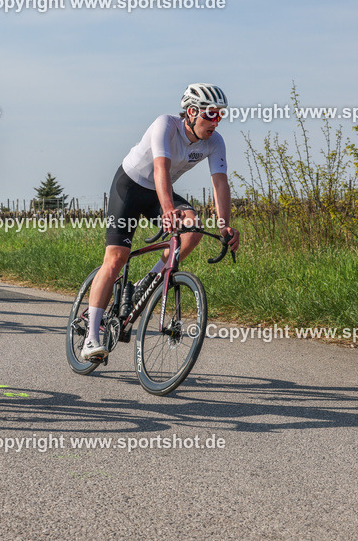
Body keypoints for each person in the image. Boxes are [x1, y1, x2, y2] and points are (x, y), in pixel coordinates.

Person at [81, 83, 241, 362]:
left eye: (220, 115)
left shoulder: (214, 142)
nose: (216, 121)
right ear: (191, 112)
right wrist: (168, 209)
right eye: (211, 114)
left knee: (192, 228)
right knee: (117, 257)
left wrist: (224, 225)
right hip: (129, 188)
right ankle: (91, 337)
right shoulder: (165, 125)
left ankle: (151, 279)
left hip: (158, 191)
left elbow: (219, 182)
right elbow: (160, 169)